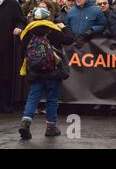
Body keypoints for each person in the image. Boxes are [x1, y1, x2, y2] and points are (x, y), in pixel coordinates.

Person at [18, 8, 74, 140]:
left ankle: (26, 122)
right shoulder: (53, 29)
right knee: (52, 98)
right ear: (48, 18)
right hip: (52, 71)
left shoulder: (28, 31)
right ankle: (51, 127)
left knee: (33, 97)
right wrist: (64, 27)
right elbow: (69, 40)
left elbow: (22, 53)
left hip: (35, 72)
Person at [0, 0, 26, 113]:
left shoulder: (12, 4)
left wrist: (18, 27)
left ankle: (5, 104)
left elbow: (21, 20)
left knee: (4, 76)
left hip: (6, 47)